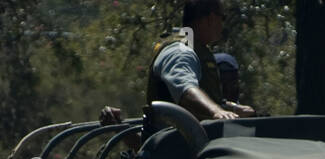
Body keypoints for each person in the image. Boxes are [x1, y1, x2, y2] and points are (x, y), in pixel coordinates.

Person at [98, 1, 254, 126]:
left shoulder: (197, 49)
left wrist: (232, 108)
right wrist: (216, 112)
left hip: (193, 143)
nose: (222, 24)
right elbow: (185, 90)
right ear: (211, 18)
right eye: (223, 17)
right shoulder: (180, 51)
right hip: (173, 147)